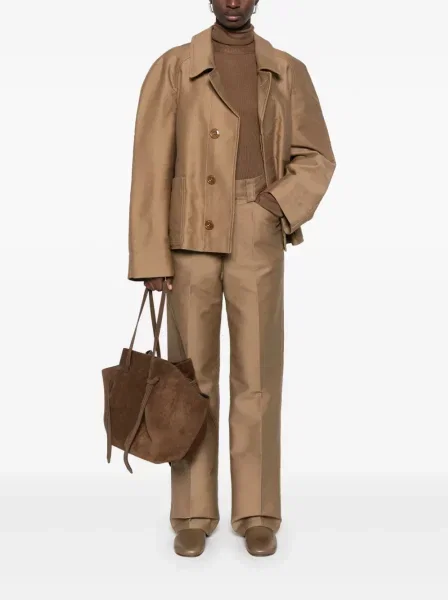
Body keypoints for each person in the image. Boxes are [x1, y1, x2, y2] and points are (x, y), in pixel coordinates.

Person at [127, 0, 336, 557]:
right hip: (188, 236)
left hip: (256, 232)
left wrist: (276, 206)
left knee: (258, 374)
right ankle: (192, 511)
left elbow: (316, 156)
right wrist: (150, 257)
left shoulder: (286, 70)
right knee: (190, 379)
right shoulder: (174, 67)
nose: (234, 1)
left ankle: (258, 510)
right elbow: (150, 166)